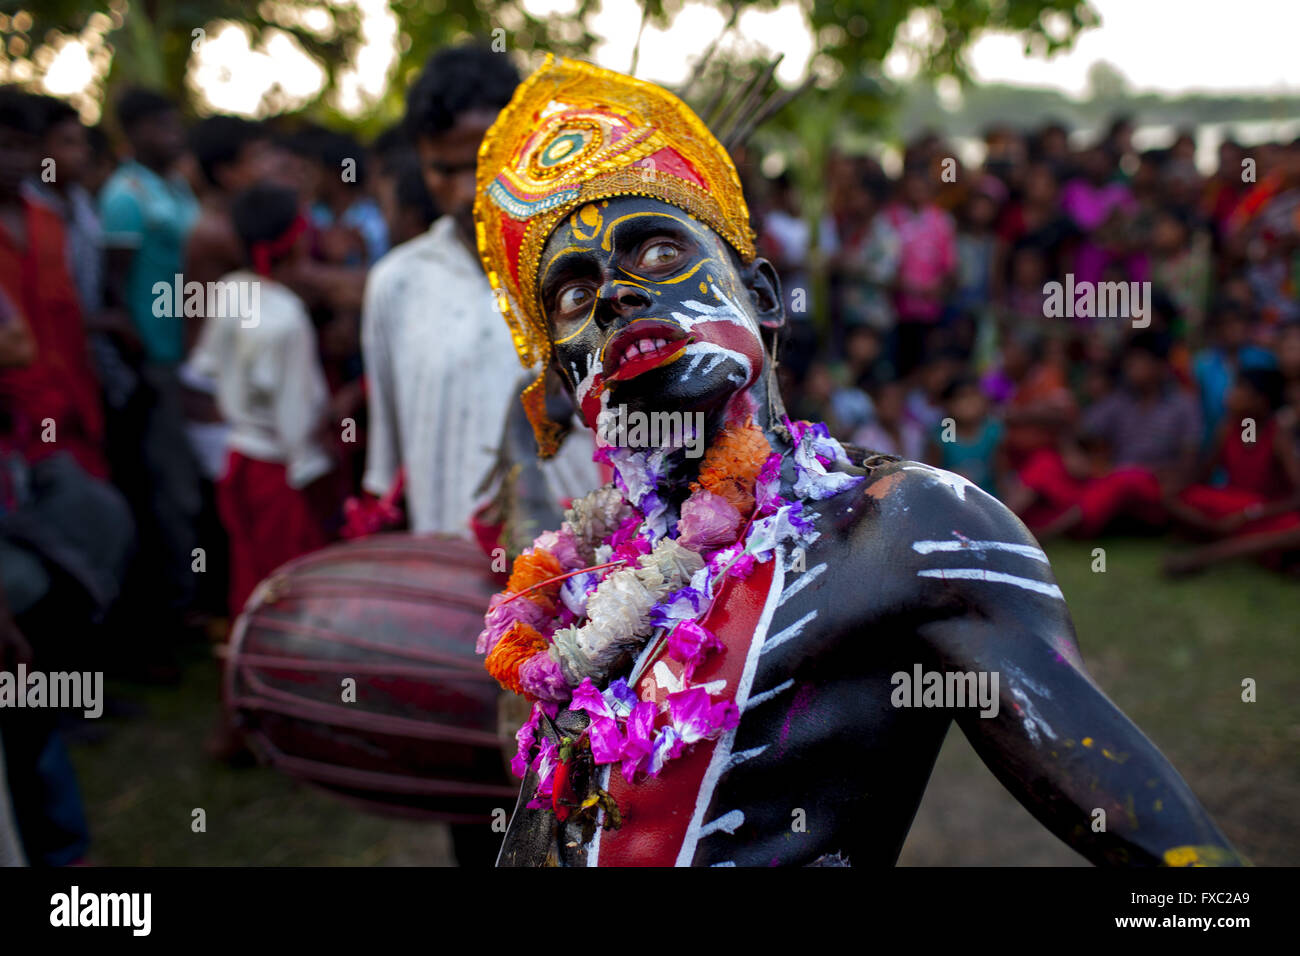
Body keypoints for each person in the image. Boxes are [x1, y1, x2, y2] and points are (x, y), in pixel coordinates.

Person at [472, 56, 1242, 867]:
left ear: (765, 297)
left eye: (660, 256)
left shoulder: (908, 527)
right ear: (565, 377)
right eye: (570, 296)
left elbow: (1163, 847)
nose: (613, 299)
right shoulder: (579, 579)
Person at [360, 43, 597, 539]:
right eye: (444, 170)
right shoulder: (395, 283)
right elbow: (389, 459)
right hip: (449, 556)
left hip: (586, 573)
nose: (468, 189)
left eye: (486, 160)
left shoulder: (588, 266)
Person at [186, 184, 336, 616]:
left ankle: (245, 658)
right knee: (290, 580)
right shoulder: (288, 318)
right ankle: (285, 666)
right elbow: (296, 419)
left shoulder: (232, 288)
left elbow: (208, 366)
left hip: (236, 457)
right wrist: (314, 472)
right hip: (279, 469)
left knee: (249, 570)